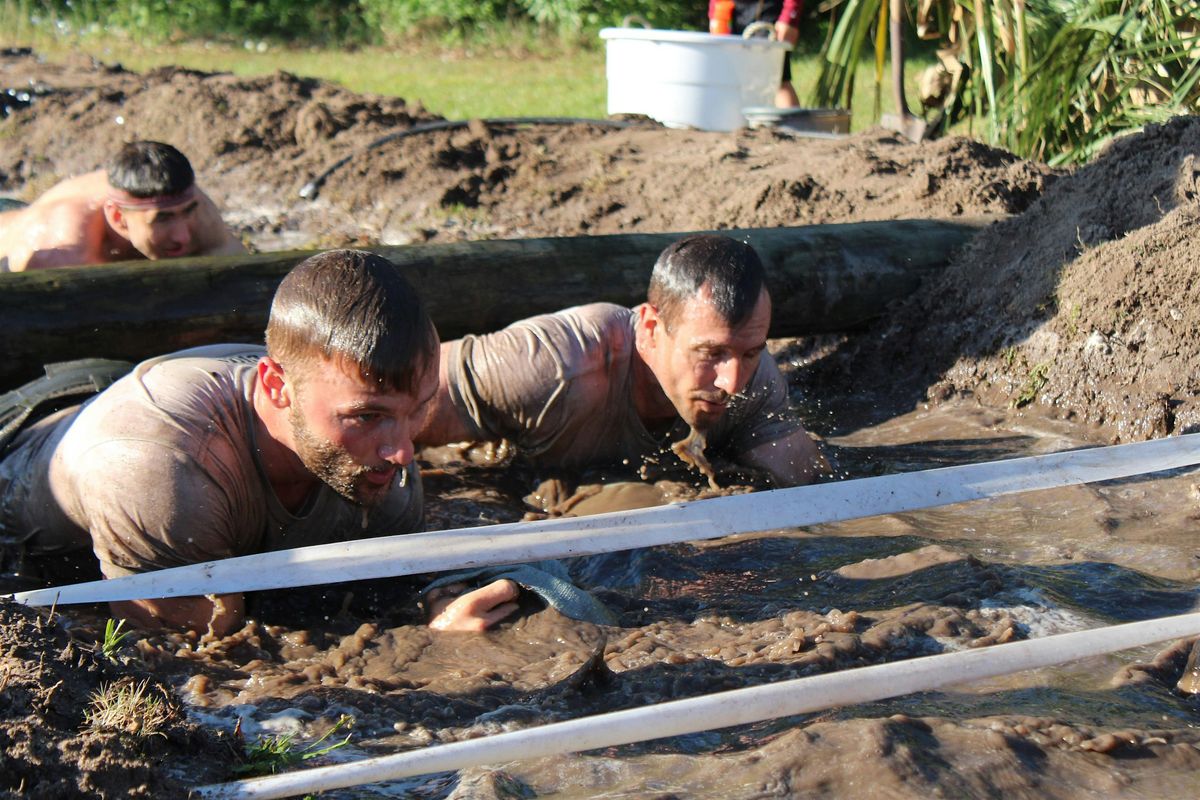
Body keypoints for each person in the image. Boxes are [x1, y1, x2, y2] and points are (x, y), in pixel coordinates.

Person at [0, 249, 519, 635]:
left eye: (418, 410)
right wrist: (421, 646)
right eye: (367, 416)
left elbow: (393, 586)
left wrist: (434, 604)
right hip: (31, 438)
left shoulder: (379, 448)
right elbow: (204, 660)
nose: (403, 451)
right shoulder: (157, 468)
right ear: (276, 386)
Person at [416, 234, 822, 489]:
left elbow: (811, 488)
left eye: (750, 352)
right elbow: (389, 400)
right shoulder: (554, 365)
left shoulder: (756, 384)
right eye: (711, 353)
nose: (733, 382)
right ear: (649, 327)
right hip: (496, 459)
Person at [0, 140, 244, 272]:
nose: (183, 236)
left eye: (187, 212)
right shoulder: (62, 252)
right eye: (162, 219)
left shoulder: (195, 207)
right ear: (118, 217)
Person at [710, 0, 804, 108]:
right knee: (733, 77)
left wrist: (790, 16)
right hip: (733, 11)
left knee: (778, 78)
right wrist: (716, 13)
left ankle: (790, 123)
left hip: (768, 10)